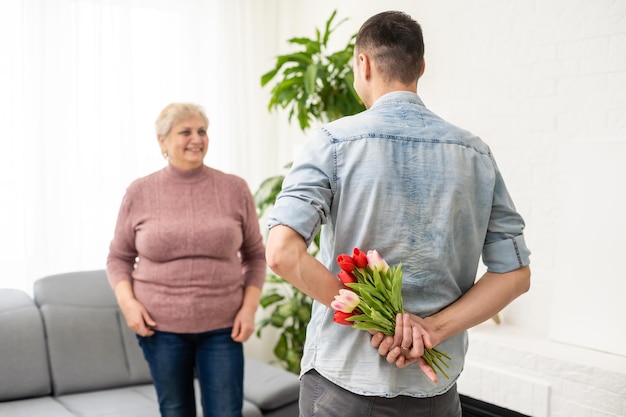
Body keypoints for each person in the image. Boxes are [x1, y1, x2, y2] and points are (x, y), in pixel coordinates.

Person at [265, 10, 531, 417]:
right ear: (421, 67)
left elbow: (282, 252)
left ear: (363, 64)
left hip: (345, 384)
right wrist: (432, 330)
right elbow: (514, 274)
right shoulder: (475, 153)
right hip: (436, 391)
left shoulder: (332, 142)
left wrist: (381, 322)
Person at [106, 102, 266, 417]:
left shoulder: (234, 188)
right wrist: (129, 305)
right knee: (176, 410)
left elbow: (255, 256)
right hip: (159, 327)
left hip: (224, 327)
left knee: (227, 412)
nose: (197, 139)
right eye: (186, 132)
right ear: (162, 141)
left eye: (202, 131)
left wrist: (248, 310)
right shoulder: (139, 192)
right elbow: (119, 257)